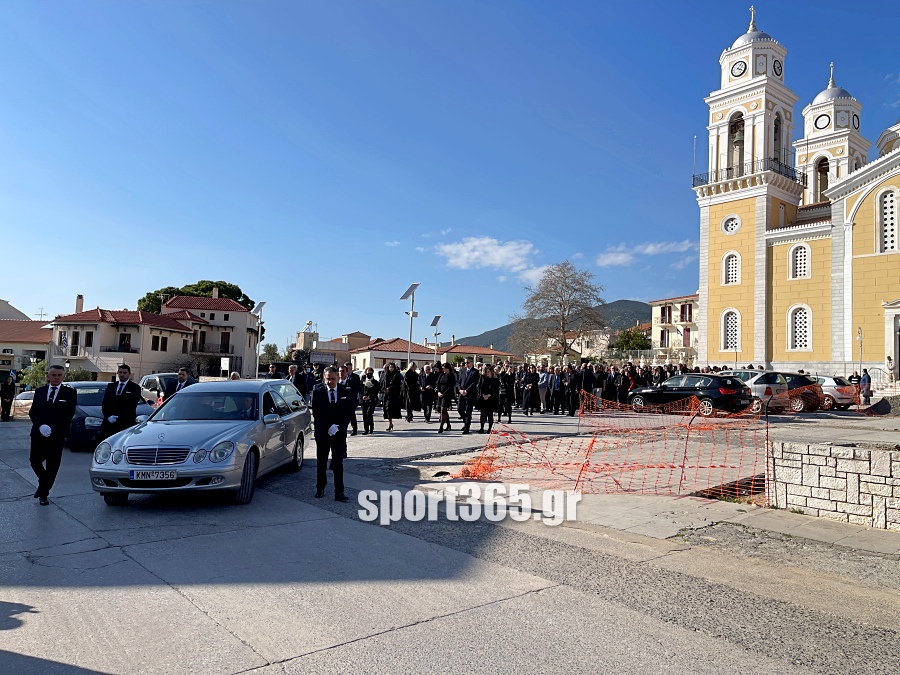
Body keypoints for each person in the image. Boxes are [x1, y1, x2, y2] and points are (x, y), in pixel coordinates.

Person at [28, 365, 77, 505]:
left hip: (57, 435)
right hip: (38, 433)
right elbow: (33, 412)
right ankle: (44, 482)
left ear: (63, 377)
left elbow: (68, 414)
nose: (56, 377)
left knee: (52, 465)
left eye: (59, 375)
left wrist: (52, 428)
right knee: (34, 461)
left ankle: (44, 493)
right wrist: (40, 426)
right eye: (54, 375)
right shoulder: (40, 391)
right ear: (48, 376)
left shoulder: (70, 393)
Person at [310, 366, 353, 502]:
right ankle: (320, 488)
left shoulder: (344, 391)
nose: (330, 382)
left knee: (338, 463)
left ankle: (339, 492)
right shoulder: (318, 392)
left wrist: (337, 427)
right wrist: (328, 427)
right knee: (321, 462)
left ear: (338, 378)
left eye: (333, 379)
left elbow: (348, 412)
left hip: (338, 434)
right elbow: (317, 413)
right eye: (328, 379)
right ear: (324, 377)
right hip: (323, 433)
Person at [100, 364, 142, 440]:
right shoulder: (111, 386)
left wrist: (119, 418)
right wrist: (108, 416)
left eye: (125, 373)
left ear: (129, 373)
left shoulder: (135, 388)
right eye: (120, 372)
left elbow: (131, 406)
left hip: (125, 423)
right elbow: (105, 404)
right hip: (109, 424)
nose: (122, 375)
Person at [456, 358, 480, 434]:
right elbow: (459, 382)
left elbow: (474, 383)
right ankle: (465, 421)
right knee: (460, 409)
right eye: (465, 362)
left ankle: (467, 427)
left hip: (470, 394)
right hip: (461, 393)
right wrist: (460, 390)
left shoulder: (475, 372)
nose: (466, 364)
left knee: (468, 411)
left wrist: (467, 390)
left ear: (472, 363)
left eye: (467, 362)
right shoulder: (462, 371)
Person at [476, 364, 499, 433]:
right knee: (482, 413)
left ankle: (489, 428)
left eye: (488, 372)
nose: (487, 373)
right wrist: (483, 395)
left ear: (492, 372)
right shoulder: (484, 379)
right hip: (484, 398)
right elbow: (481, 387)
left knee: (490, 414)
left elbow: (495, 390)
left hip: (491, 399)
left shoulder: (495, 380)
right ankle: (482, 428)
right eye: (486, 372)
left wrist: (488, 395)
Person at [435, 362, 457, 433]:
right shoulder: (441, 374)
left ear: (447, 368)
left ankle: (441, 426)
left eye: (444, 368)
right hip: (440, 394)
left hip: (447, 395)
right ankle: (448, 425)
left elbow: (450, 386)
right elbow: (438, 384)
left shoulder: (451, 376)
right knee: (444, 411)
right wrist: (438, 391)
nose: (443, 369)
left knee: (443, 410)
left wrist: (443, 394)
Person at [340, 363, 361, 435]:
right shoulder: (336, 382)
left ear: (347, 372)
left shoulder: (352, 381)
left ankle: (354, 429)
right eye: (340, 371)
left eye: (343, 371)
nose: (341, 373)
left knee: (352, 415)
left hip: (349, 402)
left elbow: (354, 392)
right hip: (340, 404)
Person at [381, 362, 402, 431]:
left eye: (392, 367)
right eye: (390, 367)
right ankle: (390, 422)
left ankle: (390, 424)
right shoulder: (384, 375)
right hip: (386, 395)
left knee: (390, 408)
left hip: (393, 395)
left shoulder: (396, 375)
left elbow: (398, 385)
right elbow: (381, 384)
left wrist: (389, 389)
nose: (391, 369)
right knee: (387, 409)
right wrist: (384, 389)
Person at [359, 367, 380, 434]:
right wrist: (362, 396)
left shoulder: (375, 382)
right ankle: (366, 429)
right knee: (364, 415)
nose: (369, 374)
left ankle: (371, 428)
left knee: (369, 413)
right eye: (368, 373)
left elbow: (376, 392)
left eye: (370, 373)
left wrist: (369, 397)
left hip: (372, 400)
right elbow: (360, 390)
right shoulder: (362, 382)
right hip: (363, 400)